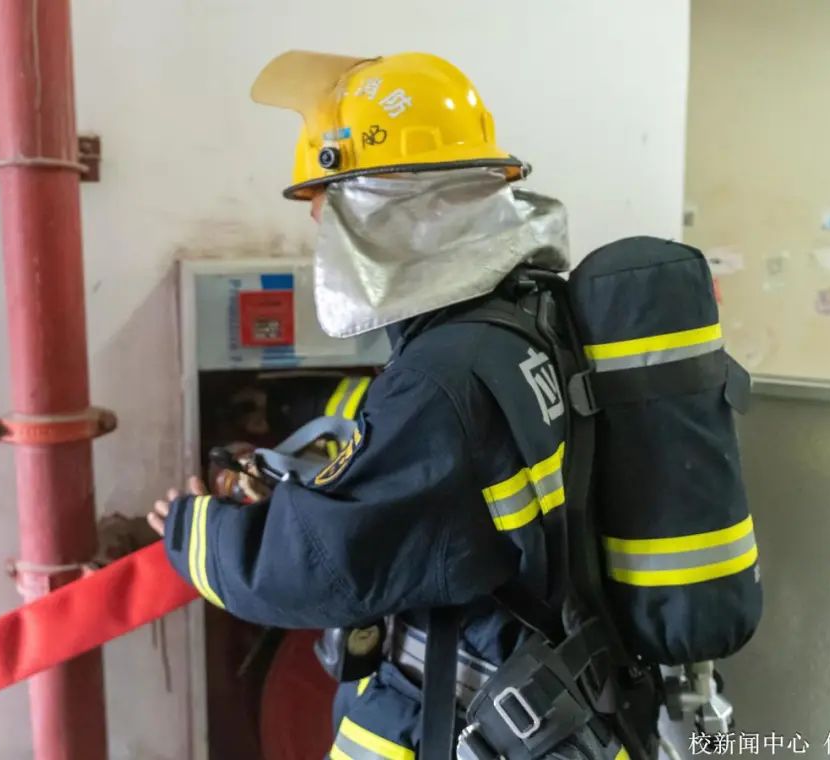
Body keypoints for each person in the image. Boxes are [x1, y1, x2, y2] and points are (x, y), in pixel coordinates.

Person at [148, 51, 652, 759]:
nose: (320, 232)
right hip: (563, 702)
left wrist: (192, 530)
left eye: (329, 210)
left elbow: (322, 566)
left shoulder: (443, 377)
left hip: (471, 719)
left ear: (384, 207)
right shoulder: (532, 319)